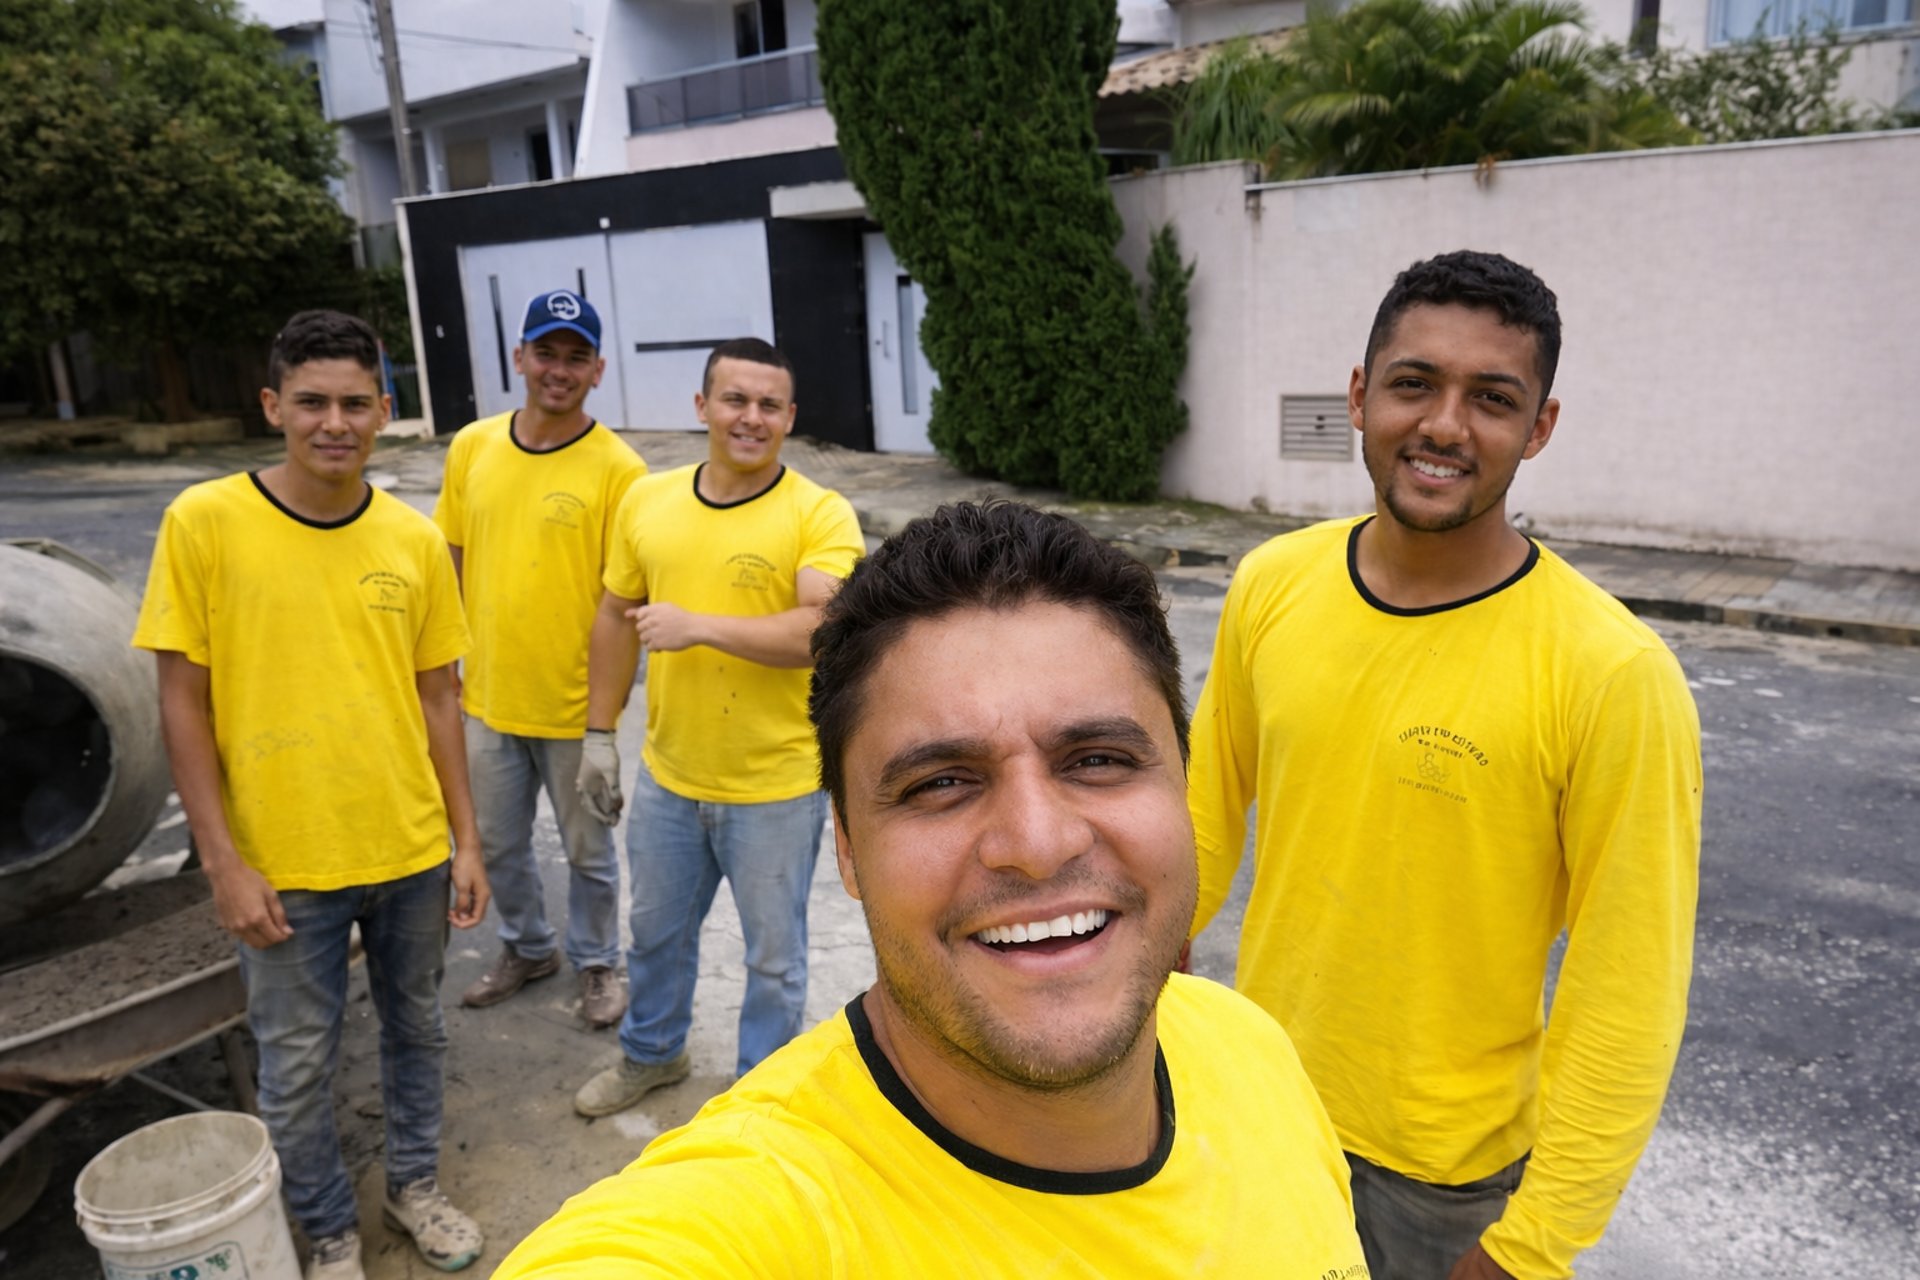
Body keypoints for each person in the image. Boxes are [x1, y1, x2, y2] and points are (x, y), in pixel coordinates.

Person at [495, 501, 1372, 1277]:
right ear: (845, 847)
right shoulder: (762, 1215)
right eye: (940, 783)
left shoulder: (1250, 1045)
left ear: (1182, 790)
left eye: (1098, 760)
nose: (1036, 844)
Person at [1187, 250, 1703, 1280]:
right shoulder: (1273, 586)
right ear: (1360, 395)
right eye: (1414, 382)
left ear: (1539, 428)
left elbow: (1627, 990)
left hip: (1441, 1189)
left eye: (1493, 398)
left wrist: (1530, 1242)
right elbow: (1200, 822)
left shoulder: (1610, 672)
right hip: (1257, 1111)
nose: (1444, 425)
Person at [133, 310, 490, 1280]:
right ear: (272, 405)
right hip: (285, 867)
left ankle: (413, 1186)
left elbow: (439, 698)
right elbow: (182, 702)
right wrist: (222, 860)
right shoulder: (205, 523)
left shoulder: (414, 541)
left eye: (354, 402)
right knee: (294, 1066)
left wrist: (465, 839)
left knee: (418, 1028)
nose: (335, 422)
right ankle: (329, 1228)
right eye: (312, 402)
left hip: (409, 851)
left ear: (384, 408)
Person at [570, 338, 864, 1115]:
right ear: (702, 407)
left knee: (774, 959)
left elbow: (823, 627)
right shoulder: (648, 500)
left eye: (769, 404)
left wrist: (701, 626)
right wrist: (600, 737)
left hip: (775, 786)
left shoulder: (816, 512)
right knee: (655, 936)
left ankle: (758, 1101)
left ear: (790, 417)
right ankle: (651, 1056)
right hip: (670, 777)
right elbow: (613, 614)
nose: (751, 417)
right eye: (735, 399)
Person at [433, 289, 647, 1030]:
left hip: (572, 705)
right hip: (485, 698)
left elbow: (622, 603)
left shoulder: (621, 470)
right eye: (545, 353)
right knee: (495, 842)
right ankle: (527, 947)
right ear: (519, 358)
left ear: (597, 371)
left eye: (575, 357)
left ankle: (597, 961)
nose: (558, 369)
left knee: (589, 852)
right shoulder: (473, 448)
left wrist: (603, 727)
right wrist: (443, 672)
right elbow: (450, 561)